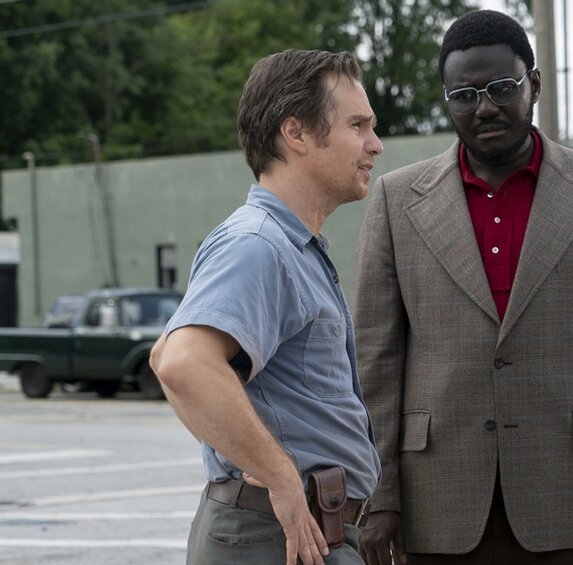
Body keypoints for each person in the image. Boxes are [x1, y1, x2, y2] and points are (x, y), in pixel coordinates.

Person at [352, 9, 573, 565]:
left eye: (502, 87)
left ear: (535, 85)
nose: (485, 107)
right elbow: (374, 360)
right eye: (464, 95)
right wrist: (377, 494)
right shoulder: (395, 200)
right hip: (438, 500)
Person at [150, 49, 383, 565]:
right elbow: (181, 362)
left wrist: (241, 453)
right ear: (295, 133)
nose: (375, 144)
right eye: (358, 125)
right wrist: (279, 477)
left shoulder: (284, 245)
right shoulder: (259, 244)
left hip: (295, 531)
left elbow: (164, 355)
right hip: (276, 535)